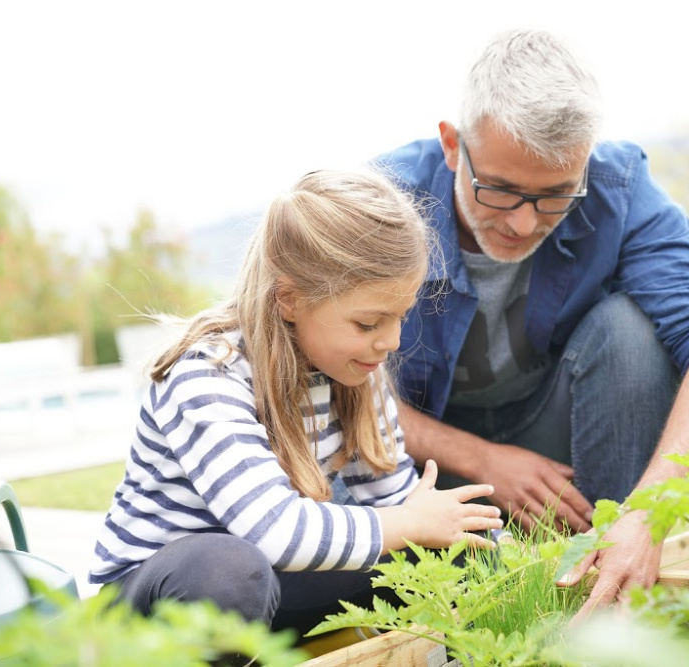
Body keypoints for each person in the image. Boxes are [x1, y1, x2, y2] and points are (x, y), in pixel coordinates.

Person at [374, 29, 689, 618]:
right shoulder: (382, 201)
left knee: (629, 328)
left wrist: (650, 512)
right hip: (419, 462)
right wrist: (482, 460)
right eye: (501, 191)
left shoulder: (617, 187)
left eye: (556, 195)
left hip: (554, 435)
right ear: (453, 146)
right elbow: (321, 377)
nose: (526, 223)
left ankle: (617, 572)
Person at [87, 169, 503, 640]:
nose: (392, 340)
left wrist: (452, 532)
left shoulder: (354, 371)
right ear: (289, 298)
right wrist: (410, 521)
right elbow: (274, 530)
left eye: (401, 316)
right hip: (164, 600)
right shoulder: (207, 374)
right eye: (369, 323)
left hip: (268, 583)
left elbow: (396, 507)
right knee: (229, 572)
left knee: (462, 548)